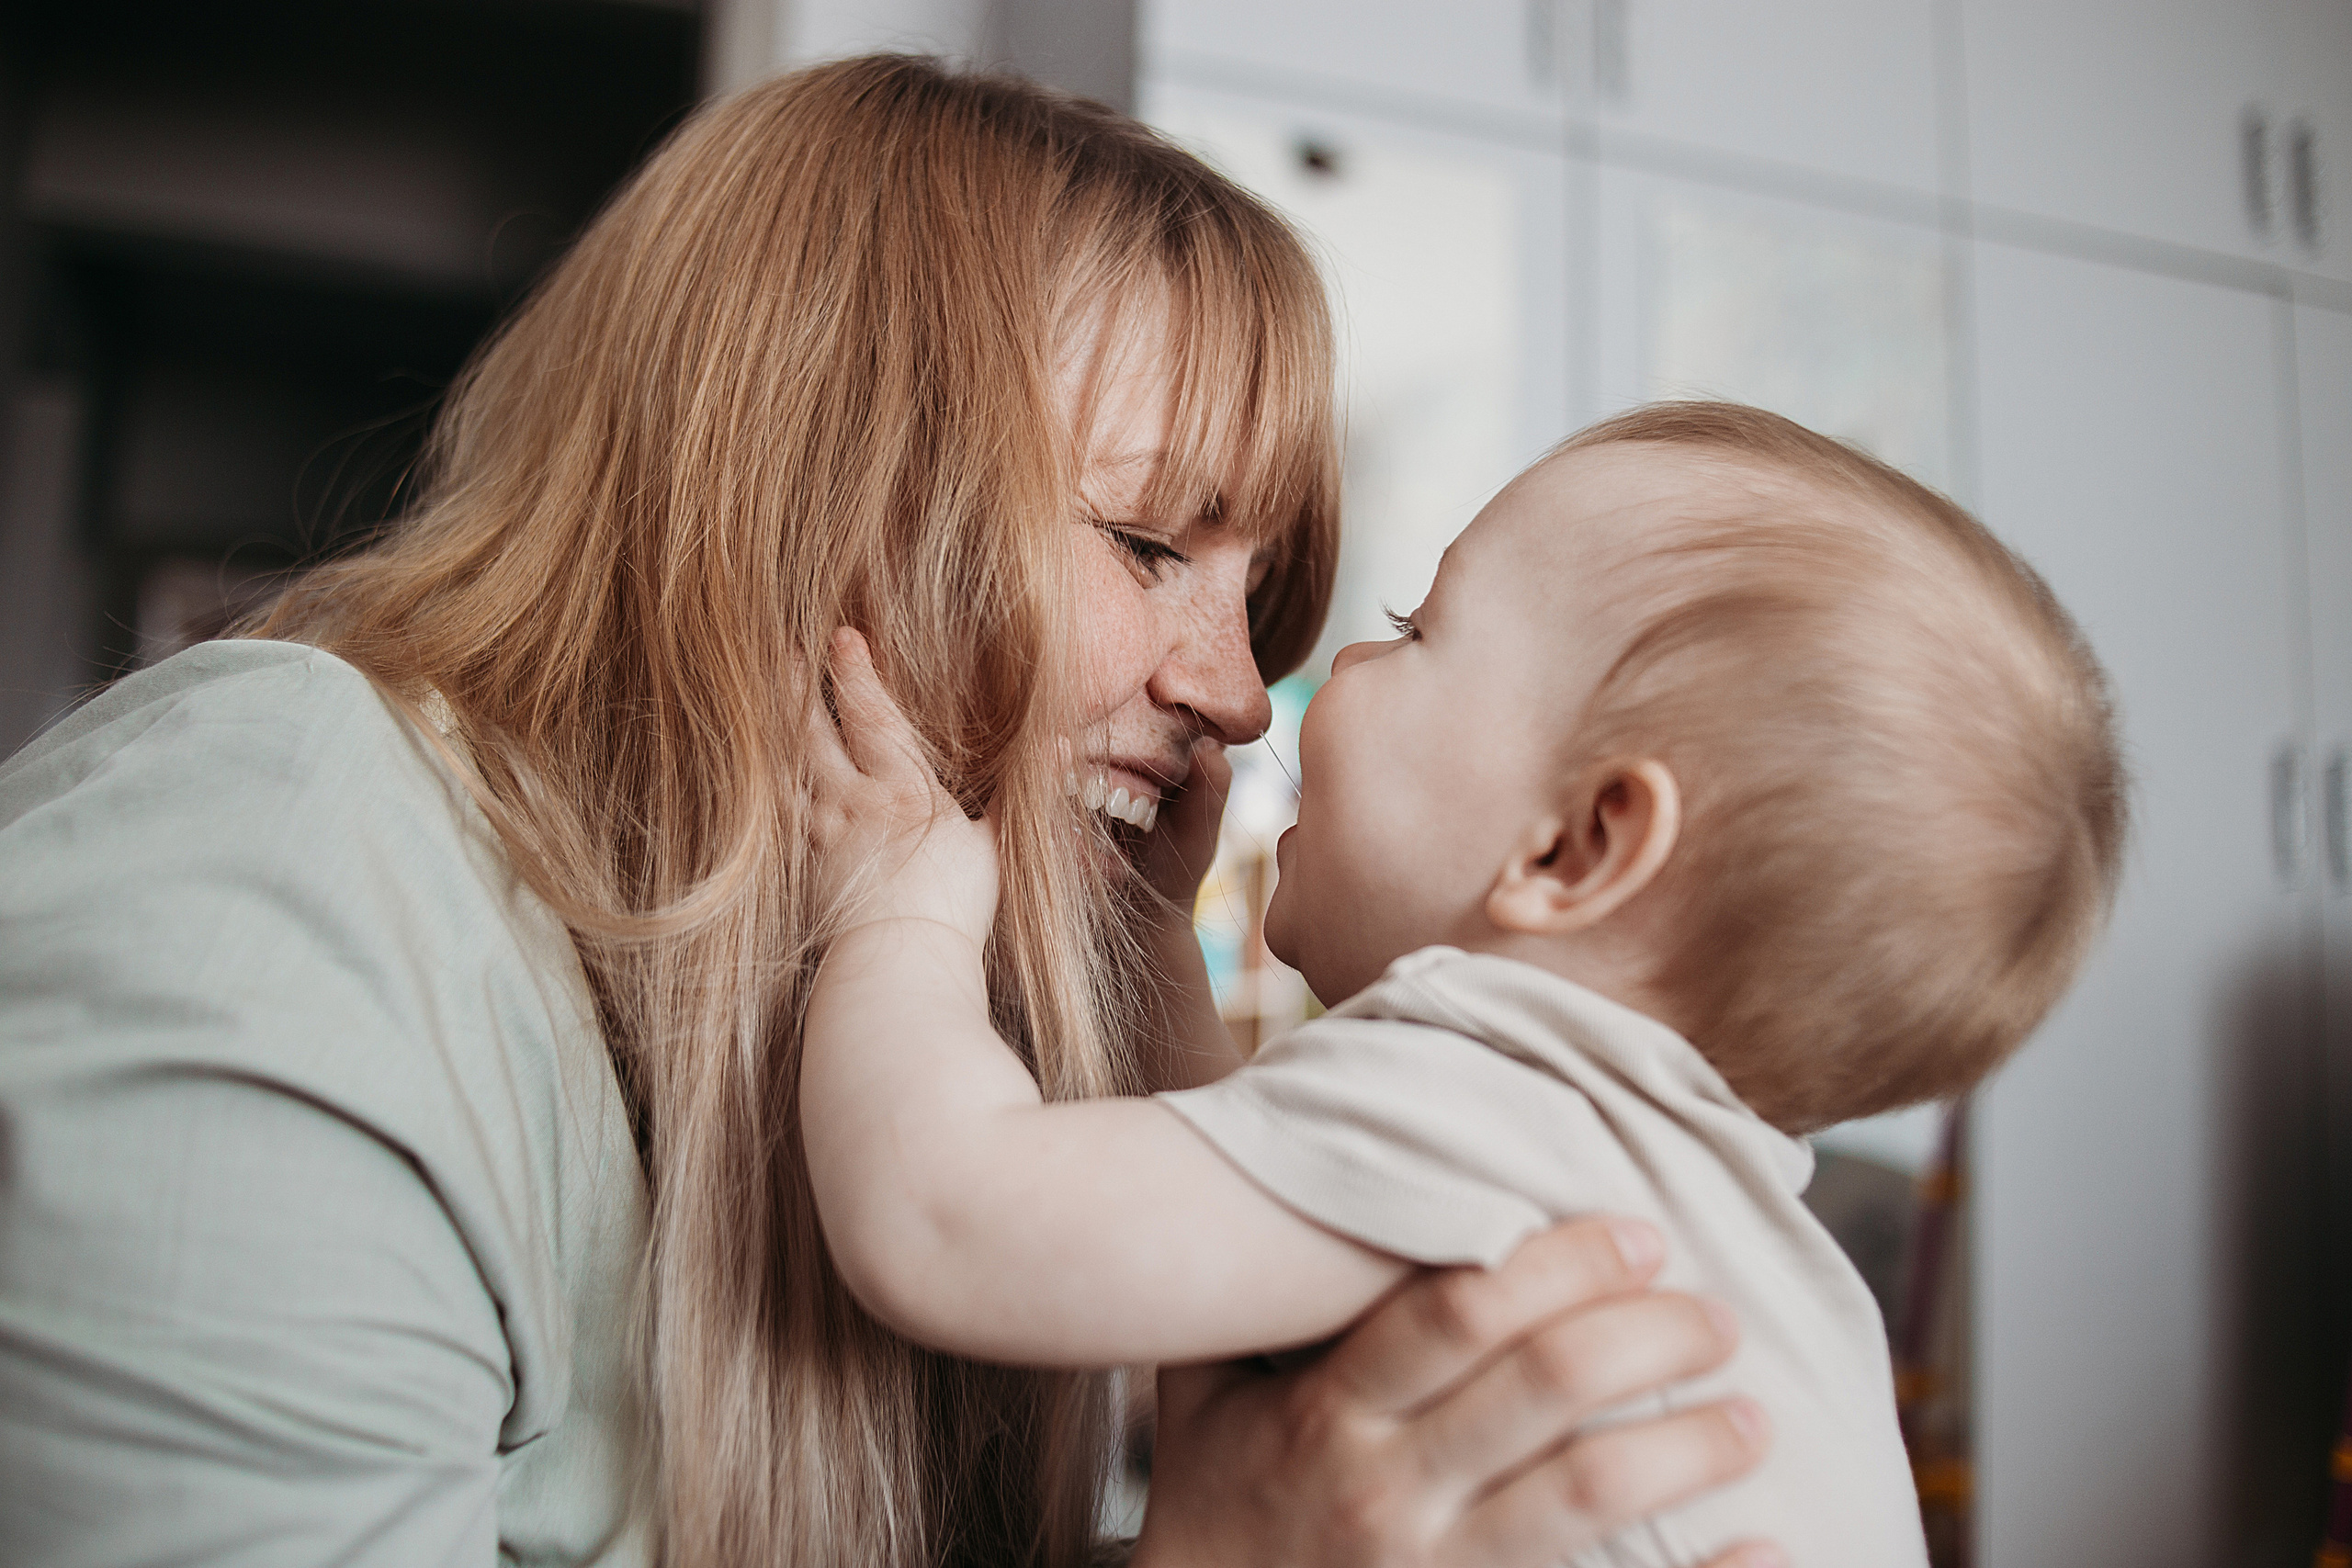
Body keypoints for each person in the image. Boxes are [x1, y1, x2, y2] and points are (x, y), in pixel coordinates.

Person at [0, 58, 1780, 1568]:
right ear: (804, 486)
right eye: (1146, 542)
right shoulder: (275, 873)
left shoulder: (899, 1017)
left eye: (1263, 596)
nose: (1244, 697)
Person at [796, 401, 2129, 1563]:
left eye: (1416, 629)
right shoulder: (1704, 1229)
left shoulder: (1496, 1103)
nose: (1313, 678)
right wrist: (1153, 936)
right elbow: (1239, 1169)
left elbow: (941, 1218)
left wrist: (898, 908)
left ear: (1577, 847)